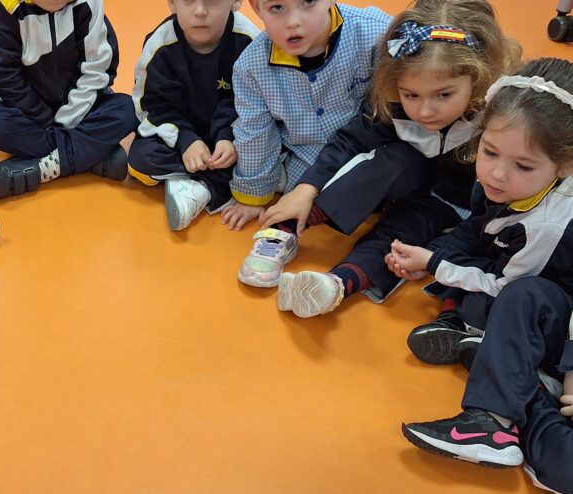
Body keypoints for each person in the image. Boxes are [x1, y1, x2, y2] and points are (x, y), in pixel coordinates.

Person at [269, 0, 519, 317]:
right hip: (406, 177)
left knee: (402, 241)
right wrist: (306, 189)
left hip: (455, 207)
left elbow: (503, 205)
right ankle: (287, 226)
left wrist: (437, 255)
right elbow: (351, 140)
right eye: (411, 95)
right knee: (390, 161)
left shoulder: (499, 118)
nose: (425, 110)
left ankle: (334, 285)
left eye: (444, 94)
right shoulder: (392, 102)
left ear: (477, 78)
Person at [395, 58, 573, 472]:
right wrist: (434, 255)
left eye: (522, 166)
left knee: (511, 294)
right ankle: (481, 339)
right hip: (529, 284)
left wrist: (436, 264)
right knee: (460, 256)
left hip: (552, 318)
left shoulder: (551, 226)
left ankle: (492, 424)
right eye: (489, 152)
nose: (497, 173)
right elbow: (478, 228)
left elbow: (508, 289)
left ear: (566, 165)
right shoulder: (507, 183)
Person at [221, 0, 390, 287]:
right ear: (257, 8)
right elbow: (255, 132)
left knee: (392, 167)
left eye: (307, 2)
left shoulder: (375, 34)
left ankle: (296, 224)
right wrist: (252, 196)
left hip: (373, 152)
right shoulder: (251, 66)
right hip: (306, 159)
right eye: (277, 7)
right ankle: (285, 225)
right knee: (281, 181)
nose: (293, 21)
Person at [0, 0, 138, 200]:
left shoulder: (88, 4)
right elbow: (3, 78)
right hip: (30, 114)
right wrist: (44, 118)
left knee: (128, 109)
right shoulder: (3, 11)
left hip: (82, 107)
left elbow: (98, 69)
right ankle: (88, 154)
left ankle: (45, 167)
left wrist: (69, 117)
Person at [128, 0, 259, 231]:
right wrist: (186, 140)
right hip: (180, 134)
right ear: (172, 3)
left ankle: (197, 188)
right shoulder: (160, 45)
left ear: (236, 2)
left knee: (270, 149)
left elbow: (257, 104)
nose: (200, 11)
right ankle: (218, 183)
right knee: (140, 161)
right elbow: (151, 107)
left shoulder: (250, 41)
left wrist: (228, 138)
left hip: (235, 136)